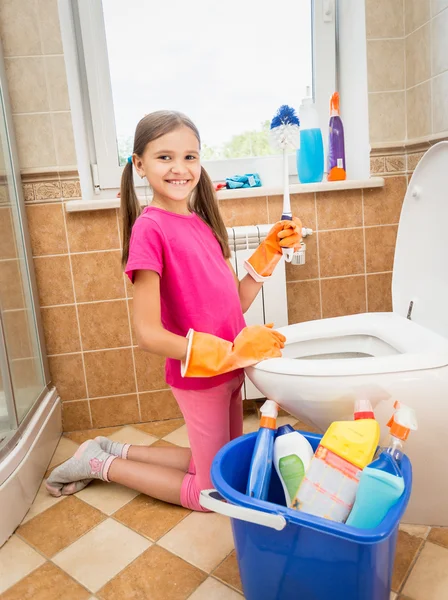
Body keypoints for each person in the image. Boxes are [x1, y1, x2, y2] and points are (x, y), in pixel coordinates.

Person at [46, 110, 302, 511]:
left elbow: (233, 303)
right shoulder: (150, 230)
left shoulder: (200, 221)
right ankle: (101, 463)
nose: (179, 168)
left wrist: (270, 252)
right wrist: (225, 353)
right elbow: (148, 334)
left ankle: (111, 447)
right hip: (202, 377)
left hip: (229, 370)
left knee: (225, 465)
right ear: (139, 164)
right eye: (164, 157)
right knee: (211, 493)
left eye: (190, 157)